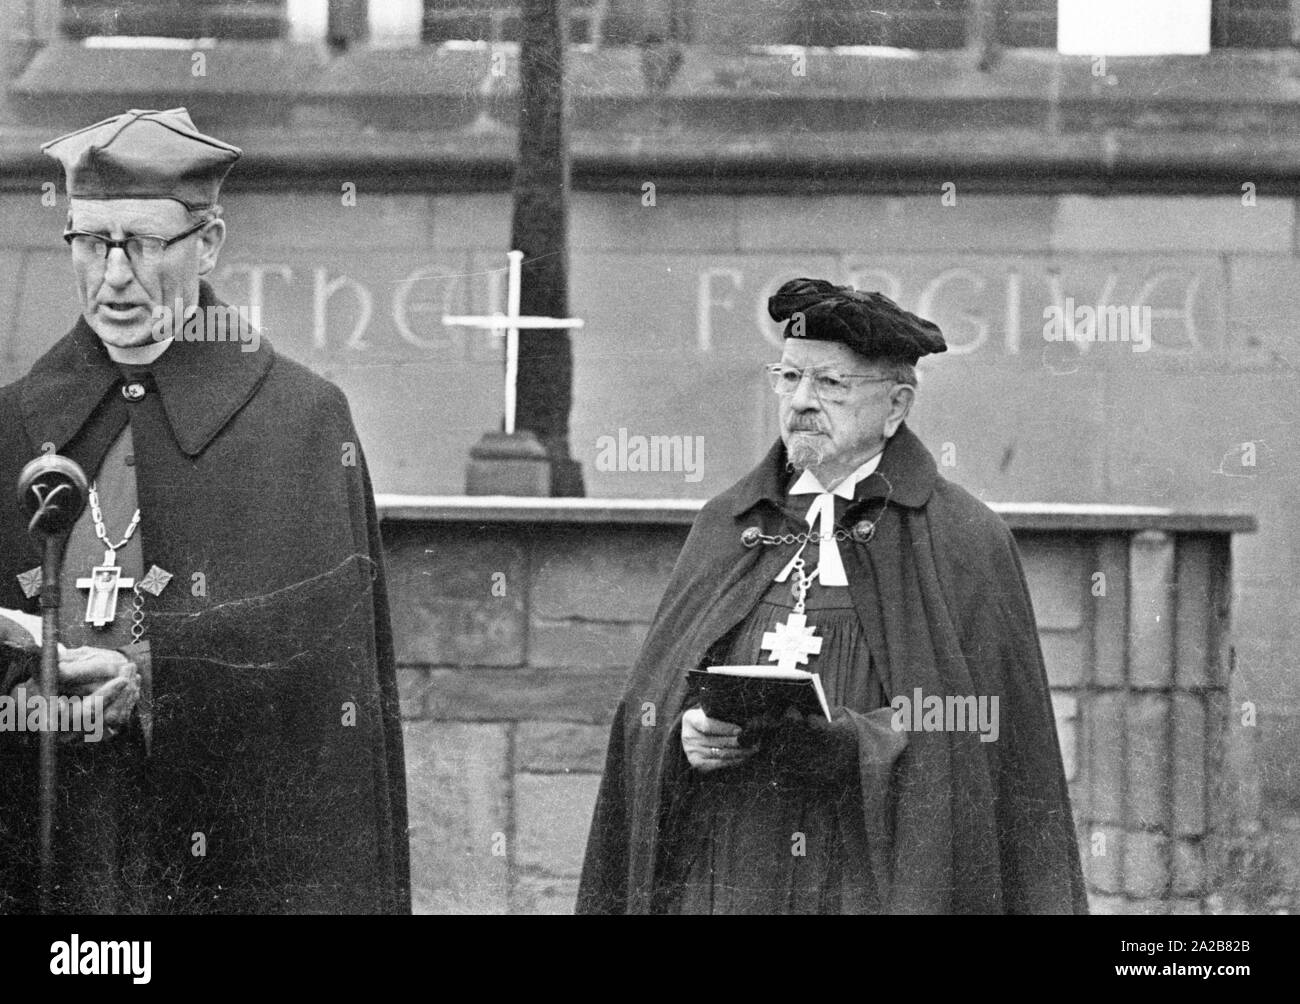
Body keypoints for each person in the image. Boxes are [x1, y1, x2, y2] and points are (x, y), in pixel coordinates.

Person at [0, 108, 410, 913]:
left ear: (209, 243)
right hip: (49, 837)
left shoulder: (298, 421)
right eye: (91, 242)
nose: (114, 276)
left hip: (224, 853)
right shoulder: (16, 420)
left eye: (144, 245)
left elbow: (312, 669)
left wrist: (148, 681)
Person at [577, 278, 1088, 914]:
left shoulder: (961, 538)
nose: (801, 401)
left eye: (831, 384)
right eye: (788, 378)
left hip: (869, 877)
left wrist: (854, 742)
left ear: (897, 406)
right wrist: (683, 738)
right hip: (734, 870)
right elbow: (647, 709)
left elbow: (978, 722)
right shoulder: (729, 523)